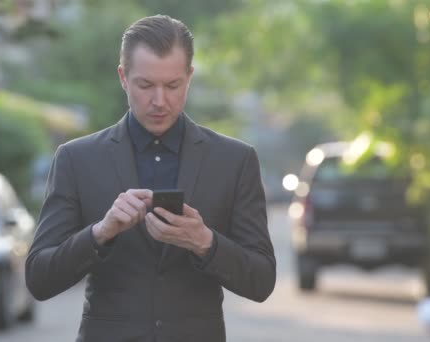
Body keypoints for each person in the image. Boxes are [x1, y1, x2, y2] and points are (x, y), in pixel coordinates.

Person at [26, 14, 276, 342]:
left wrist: (205, 242)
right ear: (123, 78)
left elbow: (262, 281)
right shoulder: (76, 159)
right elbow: (39, 279)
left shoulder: (235, 160)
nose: (159, 101)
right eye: (145, 85)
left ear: (189, 77)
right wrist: (101, 233)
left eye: (172, 85)